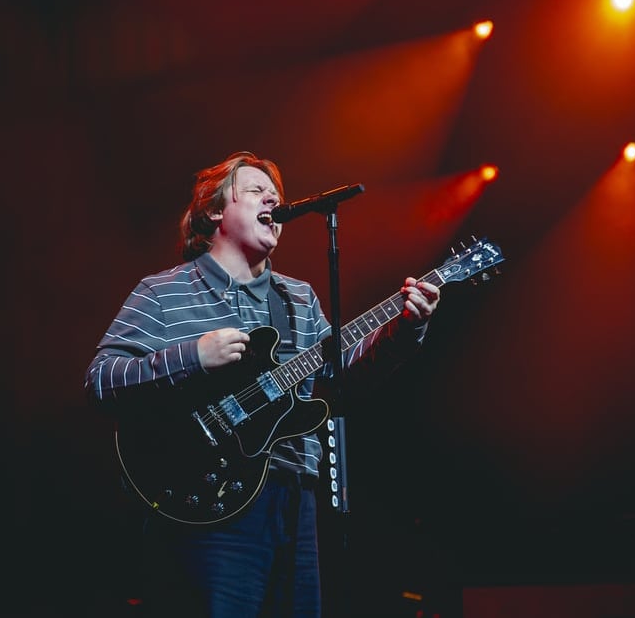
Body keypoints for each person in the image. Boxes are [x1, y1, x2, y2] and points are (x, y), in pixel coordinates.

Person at [83, 150, 441, 617]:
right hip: (206, 498)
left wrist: (406, 328)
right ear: (215, 211)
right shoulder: (164, 291)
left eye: (276, 195)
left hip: (295, 496)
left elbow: (345, 377)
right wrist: (194, 356)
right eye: (256, 191)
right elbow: (102, 379)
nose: (273, 200)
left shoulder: (298, 297)